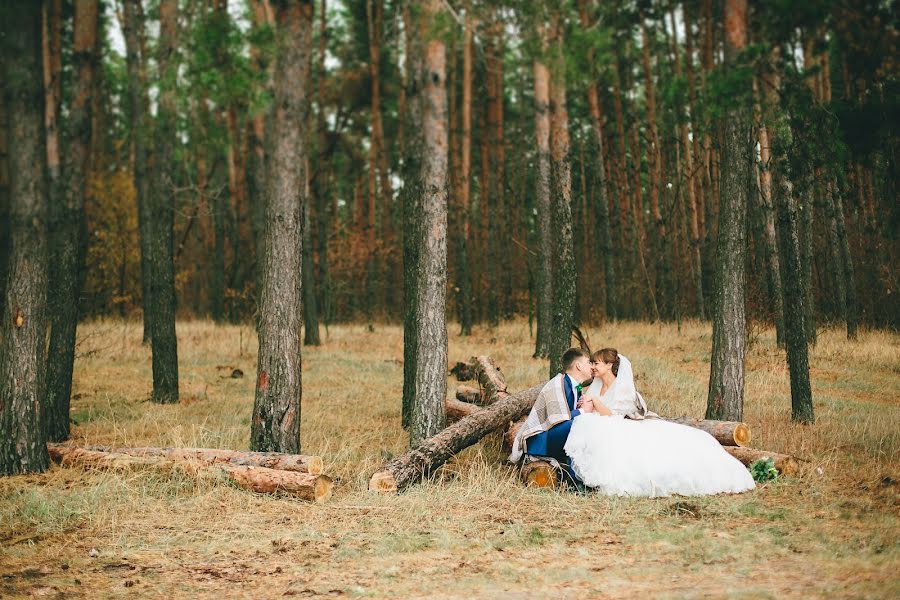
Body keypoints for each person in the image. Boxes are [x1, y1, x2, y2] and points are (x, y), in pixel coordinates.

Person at [564, 348, 756, 497]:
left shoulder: (622, 388)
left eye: (596, 363)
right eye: (592, 363)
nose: (593, 366)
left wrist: (596, 403)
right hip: (600, 424)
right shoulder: (596, 385)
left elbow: (614, 416)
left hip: (618, 424)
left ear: (609, 365)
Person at [509, 348, 595, 486]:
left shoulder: (575, 386)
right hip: (541, 442)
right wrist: (583, 412)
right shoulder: (557, 384)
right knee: (581, 423)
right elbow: (558, 419)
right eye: (588, 362)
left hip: (553, 436)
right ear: (579, 366)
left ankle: (582, 476)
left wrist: (581, 409)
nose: (592, 366)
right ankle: (576, 481)